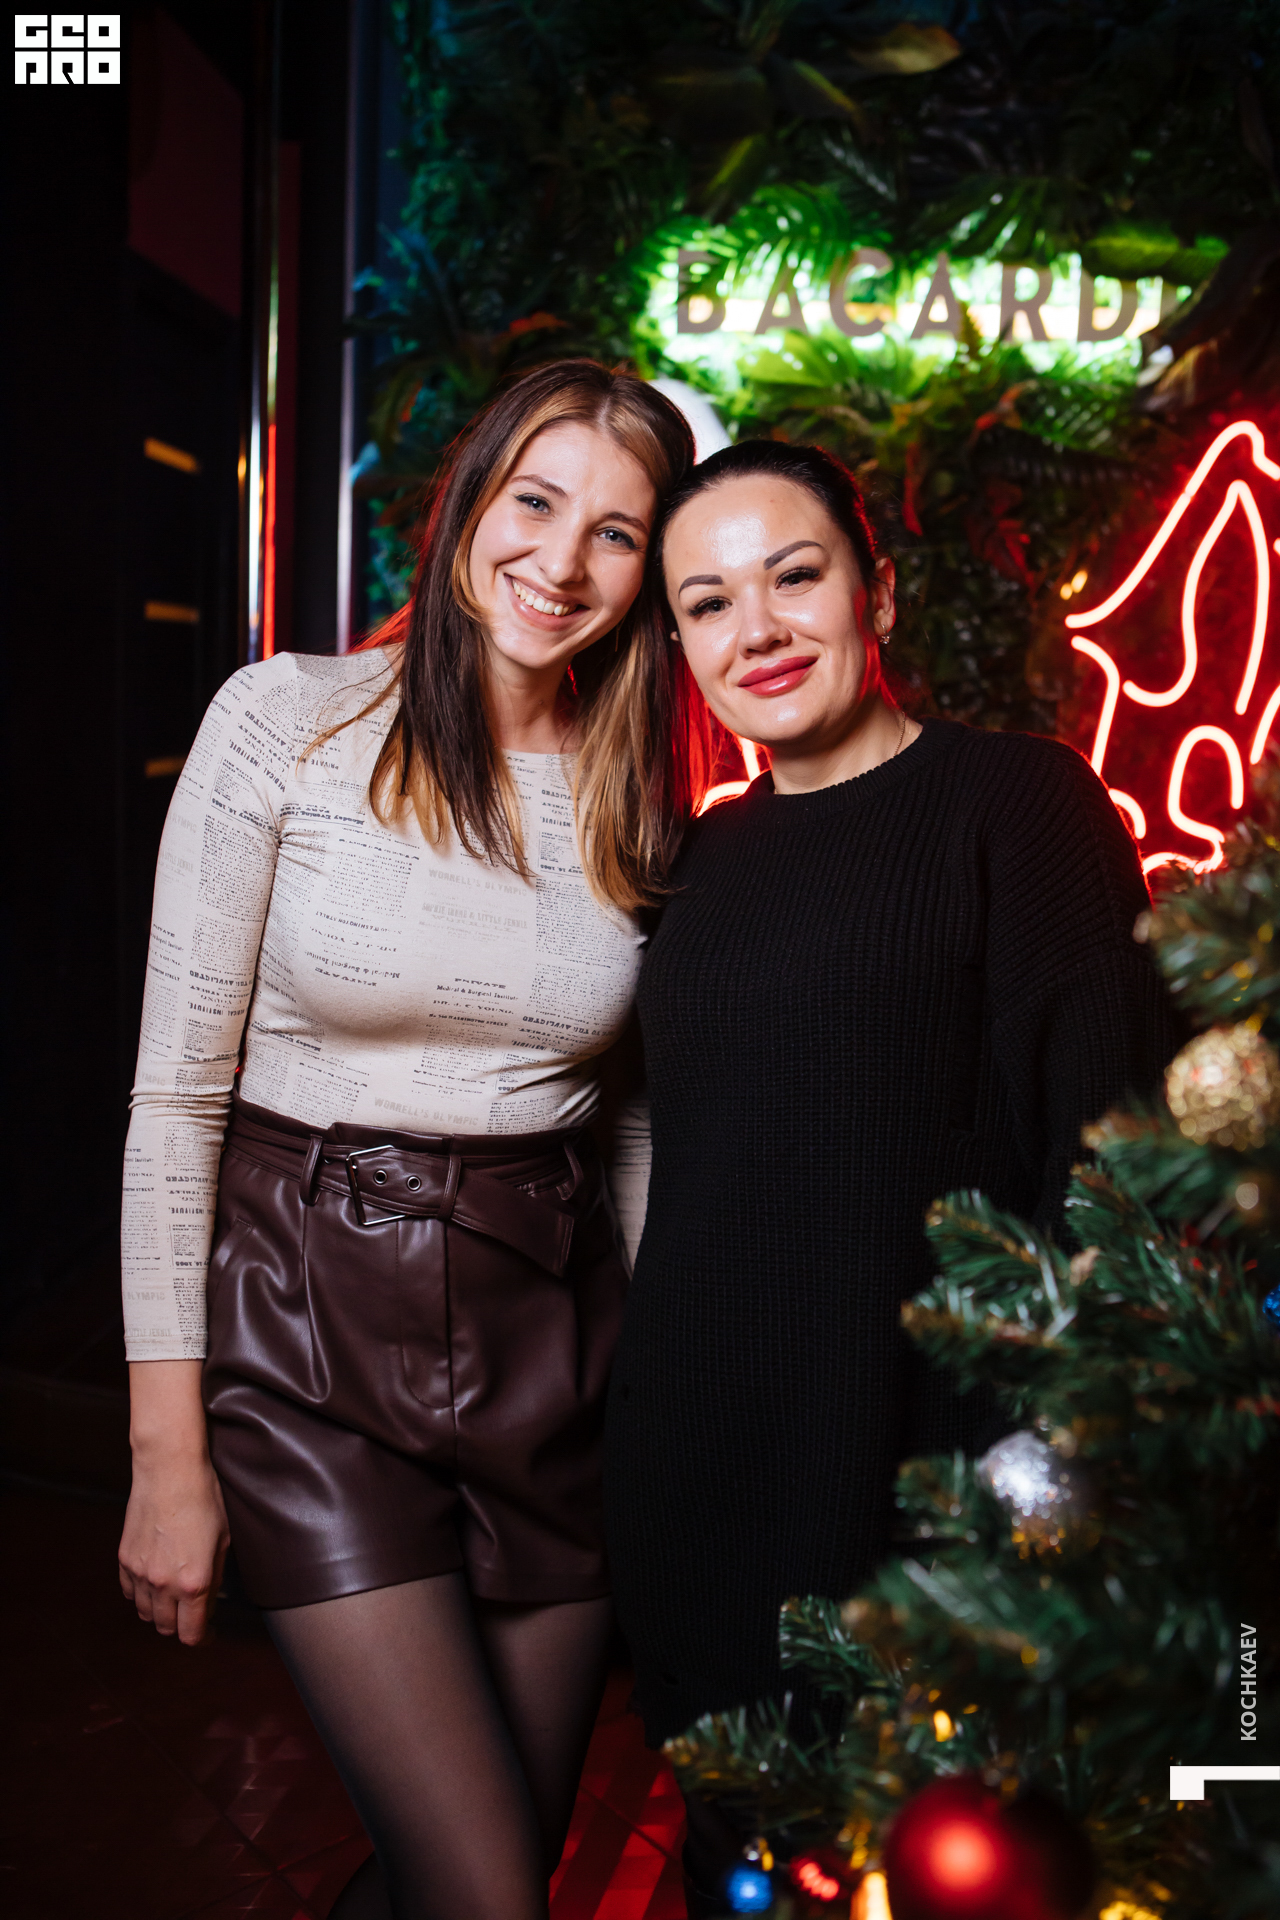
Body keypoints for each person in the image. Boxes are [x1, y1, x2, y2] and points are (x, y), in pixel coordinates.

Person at [117, 359, 699, 1920]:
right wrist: (166, 1454)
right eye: (535, 502)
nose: (562, 562)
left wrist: (653, 1396)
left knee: (482, 1876)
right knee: (490, 1895)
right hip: (309, 1328)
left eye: (618, 534)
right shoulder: (287, 719)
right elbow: (175, 1099)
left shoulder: (637, 792)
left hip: (551, 1342)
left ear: (650, 574)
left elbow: (629, 1119)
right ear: (466, 505)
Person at [603, 439, 1177, 1893]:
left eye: (795, 577)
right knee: (743, 1873)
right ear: (680, 647)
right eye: (709, 604)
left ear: (880, 592)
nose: (758, 629)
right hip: (704, 1488)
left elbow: (1109, 1157)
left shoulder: (1019, 803)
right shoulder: (695, 864)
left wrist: (1037, 1477)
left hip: (933, 1484)